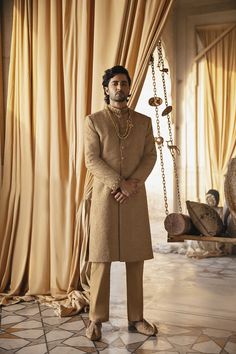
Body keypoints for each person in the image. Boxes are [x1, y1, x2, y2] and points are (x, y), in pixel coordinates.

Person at [84, 65, 158, 341]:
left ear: (129, 88)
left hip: (134, 199)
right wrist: (119, 184)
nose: (120, 88)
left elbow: (150, 156)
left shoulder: (144, 121)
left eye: (124, 83)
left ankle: (136, 318)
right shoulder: (93, 121)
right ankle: (95, 320)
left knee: (136, 257)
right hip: (105, 198)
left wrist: (132, 185)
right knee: (101, 258)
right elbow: (92, 159)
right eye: (114, 83)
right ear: (106, 88)